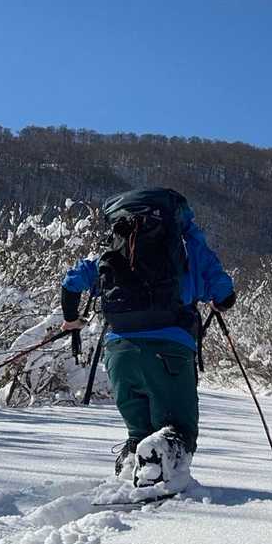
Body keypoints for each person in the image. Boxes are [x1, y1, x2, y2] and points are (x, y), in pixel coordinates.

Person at [59, 187, 235, 489]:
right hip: (170, 350)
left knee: (139, 431)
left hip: (119, 353)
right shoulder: (188, 247)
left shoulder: (116, 248)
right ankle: (159, 465)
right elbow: (223, 292)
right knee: (178, 429)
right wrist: (219, 301)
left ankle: (132, 465)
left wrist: (71, 318)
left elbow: (72, 281)